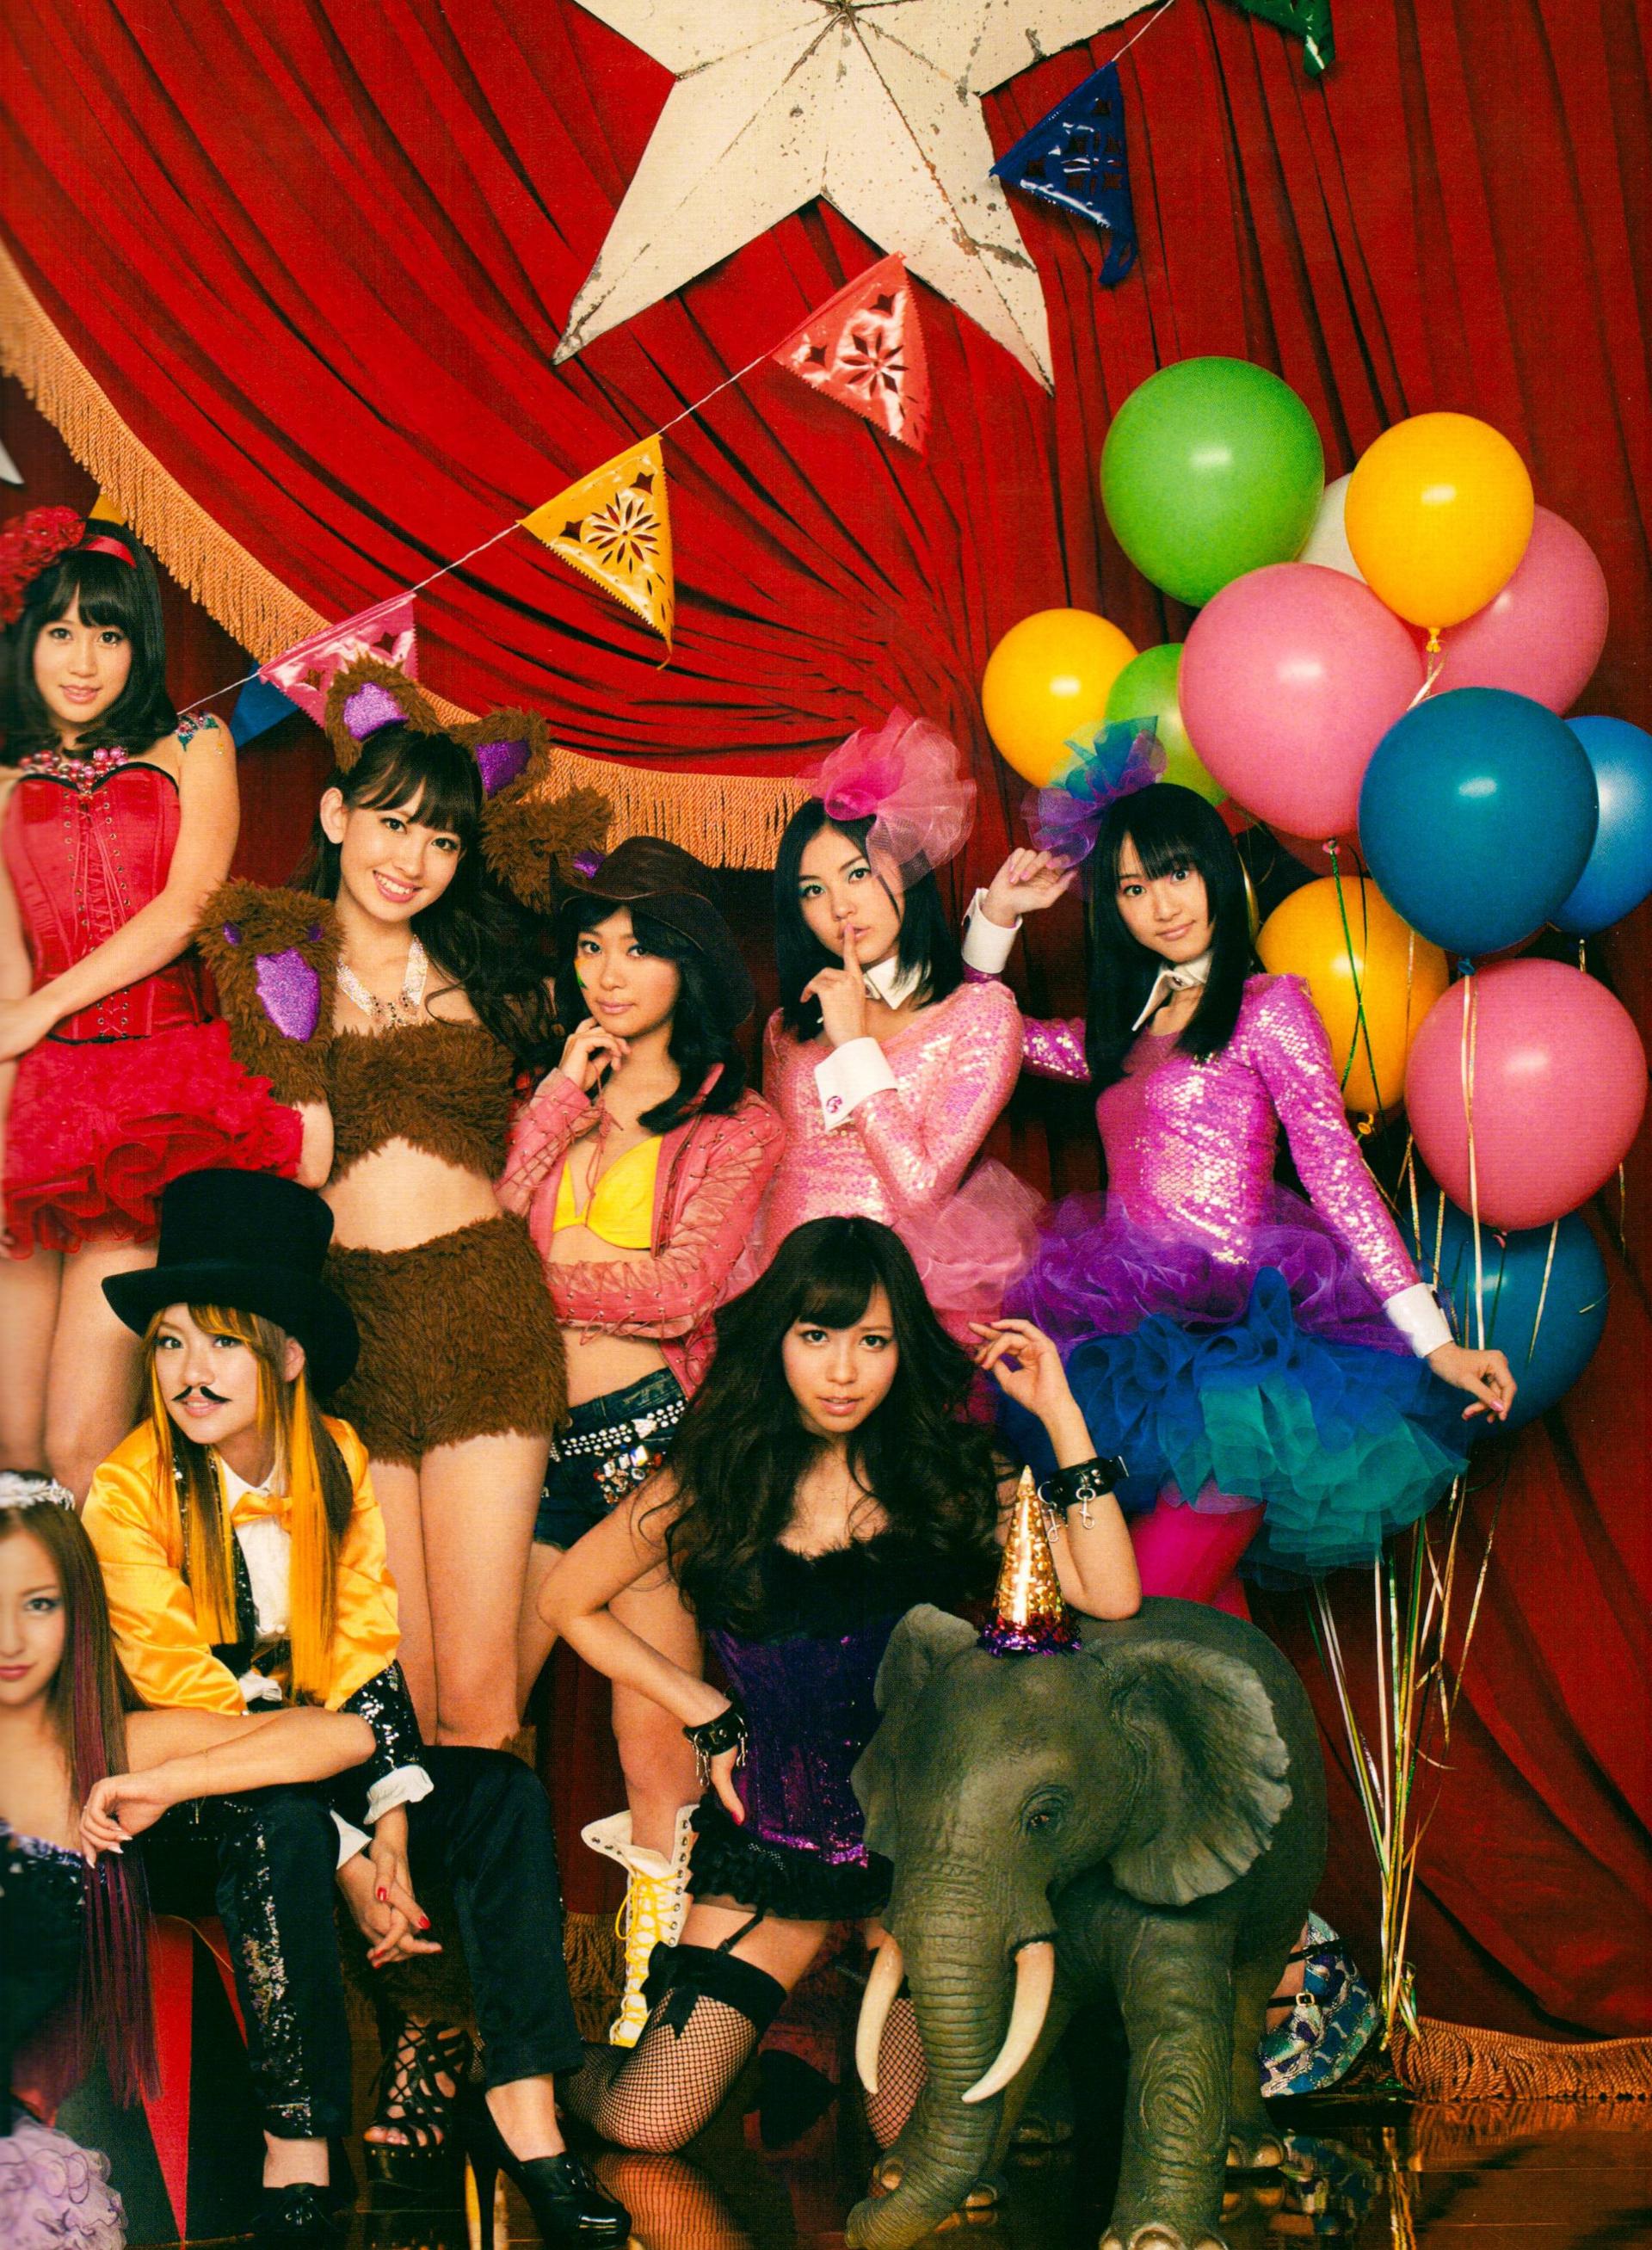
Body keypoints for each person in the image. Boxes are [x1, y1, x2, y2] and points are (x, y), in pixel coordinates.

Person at [965, 775, 1515, 2095]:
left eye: (1175, 872)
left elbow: (1334, 1170)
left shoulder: (1268, 1006)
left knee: (1133, 1626)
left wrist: (1432, 1337)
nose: (1157, 903)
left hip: (1245, 1370)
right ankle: (1254, 1970)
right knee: (1211, 1678)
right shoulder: (1119, 1028)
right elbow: (986, 1044)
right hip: (1126, 1363)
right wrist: (991, 924)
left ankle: (1264, 1962)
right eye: (1131, 885)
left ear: (1218, 872)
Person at [80, 1168, 626, 2247]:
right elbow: (204, 1701)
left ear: (287, 1354)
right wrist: (349, 1853)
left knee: (503, 1792)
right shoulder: (128, 1490)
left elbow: (367, 1656)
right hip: (190, 1789)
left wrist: (396, 1823)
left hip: (331, 1757)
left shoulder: (333, 1456)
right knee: (282, 1818)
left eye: (222, 1341)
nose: (190, 1372)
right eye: (171, 1342)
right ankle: (298, 2158)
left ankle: (528, 2122)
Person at [539, 1215, 1139, 2154]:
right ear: (779, 1338)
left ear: (903, 1348)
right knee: (644, 2122)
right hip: (775, 1848)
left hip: (926, 1859)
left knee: (909, 2135)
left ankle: (868, 2042)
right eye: (817, 1335)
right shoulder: (719, 1475)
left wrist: (1060, 1414)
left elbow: (1111, 1593)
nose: (844, 1371)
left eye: (874, 1341)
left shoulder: (951, 1474)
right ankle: (537, 2073)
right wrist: (703, 1708)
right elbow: (565, 1598)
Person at [196, 654, 607, 1748]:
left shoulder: (484, 962)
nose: (412, 859)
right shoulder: (276, 960)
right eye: (391, 823)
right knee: (402, 1697)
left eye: (443, 839)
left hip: (486, 1312)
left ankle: (496, 1862)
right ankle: (419, 1867)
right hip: (351, 1326)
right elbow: (300, 1162)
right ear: (336, 815)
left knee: (481, 1692)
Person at [498, 836, 784, 2047]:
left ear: (689, 962)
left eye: (637, 947)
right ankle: (496, 2001)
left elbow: (681, 1288)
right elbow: (493, 1228)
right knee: (482, 1717)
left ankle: (651, 2006)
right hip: (521, 1440)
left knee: (648, 1745)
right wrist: (559, 1103)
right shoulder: (553, 1094)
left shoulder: (737, 1123)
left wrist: (527, 1283)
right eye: (590, 945)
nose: (607, 972)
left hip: (644, 1444)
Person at [0, 509, 300, 1499]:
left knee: (79, 1445)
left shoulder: (194, 742)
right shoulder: (1, 777)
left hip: (153, 1099)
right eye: (60, 631)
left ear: (142, 644)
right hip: (35, 1108)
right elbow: (5, 976)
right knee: (13, 1445)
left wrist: (43, 1008)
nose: (85, 660)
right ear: (25, 640)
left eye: (109, 632)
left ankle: (153, 1605)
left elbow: (190, 904)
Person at [0, 1474, 370, 2250]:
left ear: (77, 1614)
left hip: (75, 2122)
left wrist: (164, 1784)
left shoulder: (116, 1741)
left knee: (284, 1813)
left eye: (36, 1603)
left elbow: (342, 1736)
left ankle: (297, 2169)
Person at [749, 709, 1039, 1341]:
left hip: (896, 1301)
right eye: (811, 890)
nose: (840, 906)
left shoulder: (979, 1016)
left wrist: (854, 1043)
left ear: (906, 871)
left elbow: (922, 1189)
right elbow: (772, 1175)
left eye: (857, 874)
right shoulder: (784, 1030)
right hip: (783, 1291)